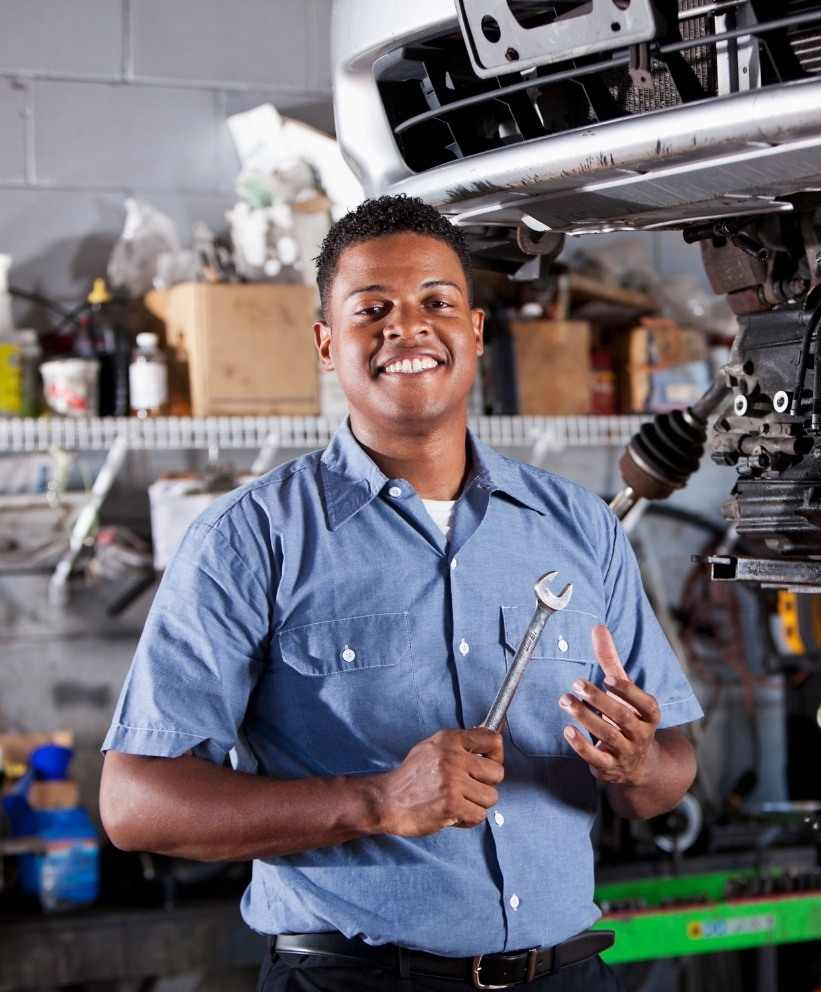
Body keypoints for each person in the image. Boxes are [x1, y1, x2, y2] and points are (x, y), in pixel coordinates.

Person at [99, 195, 702, 992]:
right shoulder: (250, 539)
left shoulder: (580, 526)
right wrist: (377, 801)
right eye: (372, 308)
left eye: (437, 303)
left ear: (476, 332)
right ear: (327, 344)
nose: (407, 328)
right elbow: (136, 804)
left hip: (566, 973)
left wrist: (637, 764)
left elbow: (667, 777)